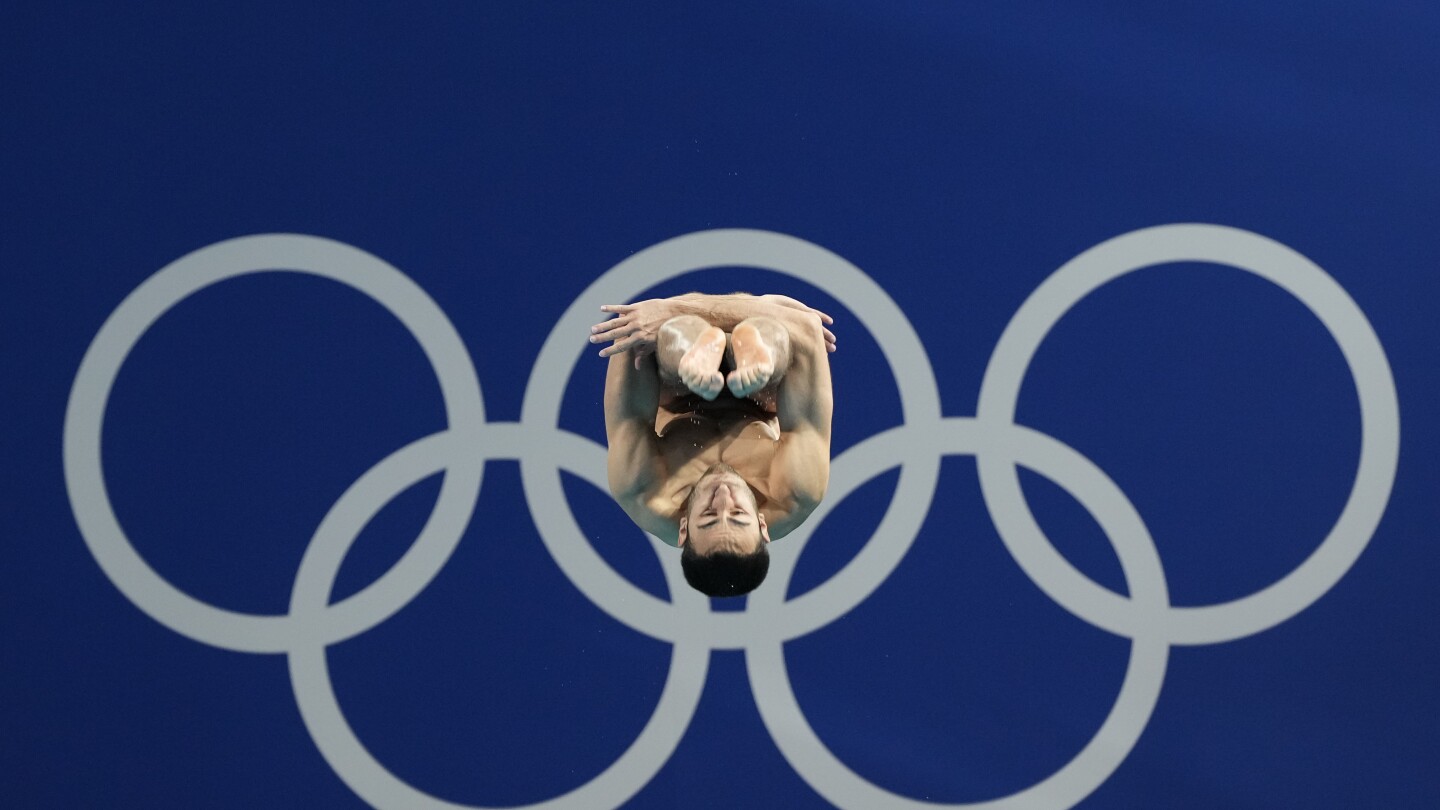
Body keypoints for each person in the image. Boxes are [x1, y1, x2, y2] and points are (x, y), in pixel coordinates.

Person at [590, 293, 836, 597]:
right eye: (738, 515)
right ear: (762, 525)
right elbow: (808, 331)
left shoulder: (642, 490)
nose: (722, 498)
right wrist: (766, 311)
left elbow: (631, 336)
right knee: (772, 340)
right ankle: (751, 345)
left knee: (673, 339)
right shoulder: (797, 491)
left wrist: (671, 312)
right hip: (761, 396)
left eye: (707, 516)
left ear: (683, 530)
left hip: (678, 389)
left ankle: (698, 348)